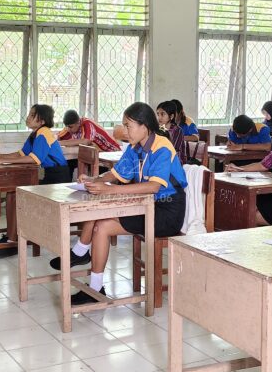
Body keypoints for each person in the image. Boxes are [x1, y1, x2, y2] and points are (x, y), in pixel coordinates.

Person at [48, 102, 187, 305]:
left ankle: (84, 261)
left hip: (167, 211)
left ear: (144, 126)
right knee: (100, 214)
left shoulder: (162, 147)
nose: (125, 131)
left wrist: (109, 190)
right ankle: (91, 277)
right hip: (146, 204)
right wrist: (94, 180)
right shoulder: (135, 148)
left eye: (128, 126)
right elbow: (115, 174)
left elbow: (153, 187)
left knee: (103, 222)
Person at [0, 104, 70, 258]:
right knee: (12, 194)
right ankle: (11, 237)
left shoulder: (43, 133)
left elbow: (34, 159)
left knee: (16, 196)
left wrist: (2, 162)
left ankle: (13, 240)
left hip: (58, 180)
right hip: (49, 177)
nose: (28, 118)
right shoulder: (35, 134)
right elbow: (21, 154)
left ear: (42, 121)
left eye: (32, 115)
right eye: (29, 114)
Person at [58, 109, 121, 176]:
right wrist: (58, 140)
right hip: (94, 155)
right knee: (69, 162)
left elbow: (86, 141)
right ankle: (67, 182)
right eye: (66, 126)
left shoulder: (87, 123)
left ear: (78, 123)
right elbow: (58, 137)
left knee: (97, 174)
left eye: (70, 127)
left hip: (110, 153)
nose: (68, 129)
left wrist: (61, 143)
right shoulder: (70, 127)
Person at [157, 100, 191, 165]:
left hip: (177, 162)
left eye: (162, 114)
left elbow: (171, 149)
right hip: (164, 160)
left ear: (171, 116)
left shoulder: (177, 130)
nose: (159, 117)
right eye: (158, 114)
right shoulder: (159, 129)